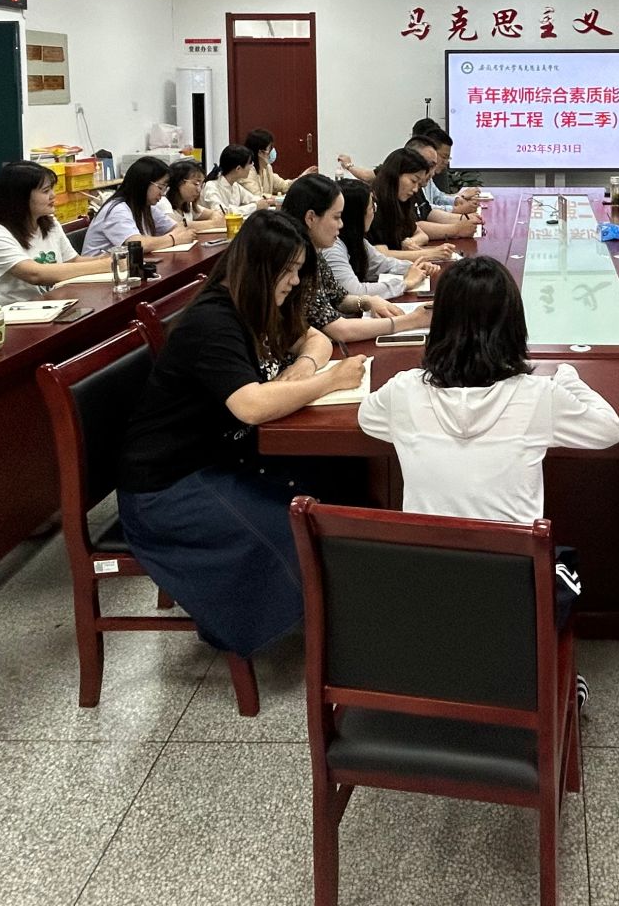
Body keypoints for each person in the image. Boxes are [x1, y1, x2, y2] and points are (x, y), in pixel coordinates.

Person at [116, 211, 366, 656]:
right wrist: (328, 381)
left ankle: (339, 602)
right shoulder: (214, 321)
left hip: (222, 458)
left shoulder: (256, 302)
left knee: (336, 480)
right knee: (292, 527)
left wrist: (302, 369)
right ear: (260, 268)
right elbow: (250, 406)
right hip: (169, 486)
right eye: (288, 271)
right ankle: (294, 628)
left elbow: (317, 340)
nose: (294, 282)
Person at [359, 254, 619, 532]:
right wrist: (569, 378)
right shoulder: (539, 396)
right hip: (513, 559)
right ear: (513, 324)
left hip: (427, 558)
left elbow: (367, 418)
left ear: (439, 322)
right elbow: (609, 429)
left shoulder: (404, 390)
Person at [282, 174, 432, 343]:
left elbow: (339, 297)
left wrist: (367, 301)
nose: (341, 224)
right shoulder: (296, 262)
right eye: (336, 217)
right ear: (310, 218)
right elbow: (339, 329)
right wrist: (413, 320)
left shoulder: (314, 253)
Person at [0, 160, 113, 304]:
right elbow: (35, 274)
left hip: (55, 304)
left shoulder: (49, 223)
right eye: (46, 191)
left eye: (52, 189)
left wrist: (110, 259)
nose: (53, 195)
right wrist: (104, 265)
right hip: (15, 314)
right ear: (20, 197)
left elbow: (73, 261)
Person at [320, 179, 441, 302]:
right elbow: (354, 292)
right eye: (372, 207)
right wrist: (404, 284)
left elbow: (382, 264)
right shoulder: (332, 247)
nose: (374, 211)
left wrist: (414, 268)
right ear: (357, 214)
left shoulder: (357, 240)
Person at [82, 156, 194, 261]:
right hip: (99, 270)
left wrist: (174, 236)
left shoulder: (146, 206)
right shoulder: (117, 209)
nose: (163, 193)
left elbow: (178, 227)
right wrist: (173, 239)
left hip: (126, 266)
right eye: (160, 187)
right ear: (143, 183)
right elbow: (138, 244)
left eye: (165, 188)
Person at [370, 147, 438, 252]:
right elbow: (380, 254)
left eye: (418, 184)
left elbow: (422, 235)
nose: (415, 189)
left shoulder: (402, 202)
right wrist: (430, 254)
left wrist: (410, 242)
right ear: (395, 174)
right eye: (413, 181)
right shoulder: (371, 205)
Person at [230, 127, 310, 200]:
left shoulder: (267, 168)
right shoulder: (246, 172)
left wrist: (301, 178)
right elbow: (257, 197)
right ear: (260, 152)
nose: (273, 151)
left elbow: (284, 186)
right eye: (270, 148)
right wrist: (280, 199)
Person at [201, 143, 272, 219]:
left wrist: (264, 202)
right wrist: (254, 206)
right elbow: (222, 212)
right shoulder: (211, 187)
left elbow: (253, 199)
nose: (251, 166)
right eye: (249, 163)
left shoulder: (235, 186)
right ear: (238, 168)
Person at [165, 159, 227, 234]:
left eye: (201, 185)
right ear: (178, 182)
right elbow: (176, 227)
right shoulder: (164, 204)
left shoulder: (188, 205)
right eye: (196, 184)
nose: (199, 190)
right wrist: (213, 224)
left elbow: (215, 214)